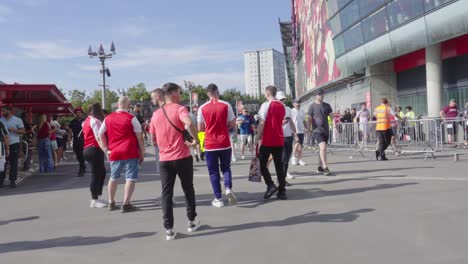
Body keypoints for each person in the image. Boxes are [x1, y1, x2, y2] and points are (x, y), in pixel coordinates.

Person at [151, 82, 200, 240]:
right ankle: (191, 221)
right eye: (179, 92)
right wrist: (196, 140)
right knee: (188, 189)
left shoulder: (156, 114)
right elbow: (189, 123)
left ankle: (169, 229)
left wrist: (163, 146)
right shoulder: (180, 108)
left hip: (164, 159)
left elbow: (153, 139)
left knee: (166, 194)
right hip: (182, 157)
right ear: (172, 93)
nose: (181, 95)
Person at [99, 96, 145, 213]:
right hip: (130, 151)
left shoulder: (108, 118)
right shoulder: (131, 118)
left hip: (115, 152)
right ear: (128, 105)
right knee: (130, 178)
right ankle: (126, 204)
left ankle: (111, 202)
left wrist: (106, 148)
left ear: (117, 105)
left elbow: (100, 134)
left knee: (113, 177)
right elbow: (140, 137)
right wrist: (142, 152)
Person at [198, 83, 237, 208]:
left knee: (213, 172)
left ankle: (218, 198)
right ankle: (228, 188)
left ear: (207, 93)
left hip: (210, 144)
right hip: (224, 142)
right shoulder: (226, 105)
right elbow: (232, 123)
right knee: (226, 167)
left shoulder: (202, 108)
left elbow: (200, 128)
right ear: (217, 91)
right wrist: (224, 127)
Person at [256, 85, 287, 200]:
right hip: (279, 139)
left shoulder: (266, 105)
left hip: (268, 140)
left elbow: (262, 123)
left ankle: (270, 185)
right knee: (279, 166)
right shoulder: (282, 106)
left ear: (268, 94)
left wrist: (257, 137)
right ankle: (282, 191)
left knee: (261, 164)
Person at [82, 103, 108, 209]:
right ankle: (94, 199)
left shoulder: (85, 121)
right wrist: (105, 150)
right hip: (94, 149)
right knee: (96, 174)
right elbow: (98, 136)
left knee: (101, 172)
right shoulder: (95, 121)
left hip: (88, 149)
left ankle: (97, 196)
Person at [307, 88, 334, 176]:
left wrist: (335, 125)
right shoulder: (312, 106)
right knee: (323, 147)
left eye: (322, 94)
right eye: (319, 94)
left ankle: (319, 167)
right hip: (316, 131)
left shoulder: (327, 105)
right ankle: (325, 167)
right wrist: (308, 130)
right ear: (315, 96)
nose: (321, 96)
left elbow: (332, 116)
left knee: (321, 149)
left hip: (325, 130)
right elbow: (309, 119)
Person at [0, 105, 25, 188]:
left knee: (13, 163)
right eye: (1, 111)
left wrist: (14, 130)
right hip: (3, 145)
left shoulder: (17, 120)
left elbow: (23, 131)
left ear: (9, 111)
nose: (2, 113)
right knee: (3, 162)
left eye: (4, 111)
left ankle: (12, 180)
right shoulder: (1, 120)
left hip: (14, 144)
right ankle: (1, 180)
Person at [277, 91, 299, 182]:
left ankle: (283, 178)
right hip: (279, 136)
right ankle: (280, 179)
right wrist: (281, 122)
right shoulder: (274, 109)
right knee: (282, 159)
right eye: (281, 99)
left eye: (284, 99)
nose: (283, 101)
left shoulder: (288, 109)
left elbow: (291, 122)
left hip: (288, 136)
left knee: (286, 159)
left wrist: (295, 134)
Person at [69, 107, 86, 177]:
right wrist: (69, 139)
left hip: (84, 140)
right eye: (77, 113)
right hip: (76, 140)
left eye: (79, 113)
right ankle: (83, 165)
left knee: (82, 155)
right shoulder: (73, 122)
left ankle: (81, 169)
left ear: (82, 113)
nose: (78, 114)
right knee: (78, 155)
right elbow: (70, 131)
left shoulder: (85, 121)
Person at [291, 99, 307, 166]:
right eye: (297, 103)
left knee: (300, 146)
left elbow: (304, 121)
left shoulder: (302, 111)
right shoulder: (291, 111)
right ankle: (293, 158)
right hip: (294, 131)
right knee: (296, 144)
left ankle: (300, 159)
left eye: (299, 103)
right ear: (293, 104)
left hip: (301, 130)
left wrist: (306, 128)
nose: (298, 104)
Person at [0, 120, 9, 187]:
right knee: (1, 164)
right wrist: (7, 148)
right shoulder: (1, 124)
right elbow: (5, 137)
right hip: (0, 146)